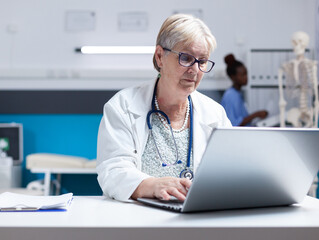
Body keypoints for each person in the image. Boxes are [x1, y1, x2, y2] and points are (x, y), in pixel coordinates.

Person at [95, 14, 231, 202]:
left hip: (196, 219)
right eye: (186, 58)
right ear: (160, 56)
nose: (195, 70)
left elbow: (231, 171)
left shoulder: (215, 114)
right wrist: (152, 185)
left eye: (202, 61)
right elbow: (112, 171)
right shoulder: (123, 106)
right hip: (136, 220)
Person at [221, 54, 268, 126]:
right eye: (242, 75)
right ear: (233, 77)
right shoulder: (230, 95)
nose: (246, 77)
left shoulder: (237, 93)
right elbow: (232, 124)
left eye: (246, 73)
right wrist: (256, 114)